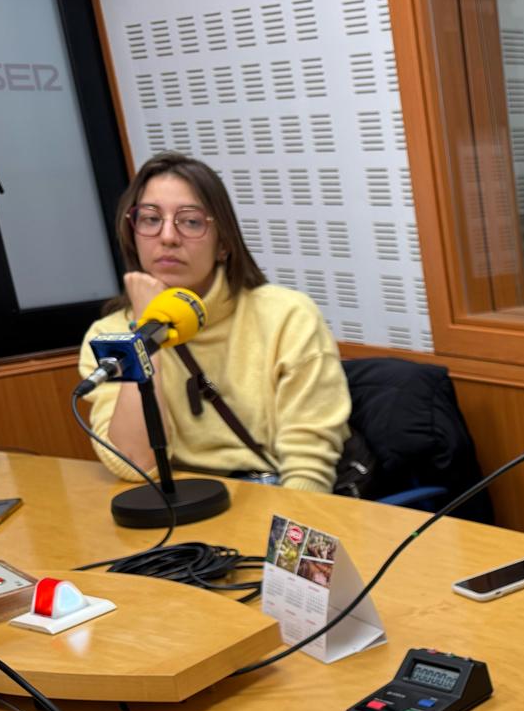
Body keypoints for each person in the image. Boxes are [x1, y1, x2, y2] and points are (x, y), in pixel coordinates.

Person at [78, 152, 350, 492]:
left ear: (223, 244)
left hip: (273, 494)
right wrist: (150, 331)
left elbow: (308, 465)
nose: (167, 237)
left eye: (190, 221)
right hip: (177, 505)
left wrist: (282, 538)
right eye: (150, 219)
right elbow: (135, 464)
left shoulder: (287, 316)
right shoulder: (108, 335)